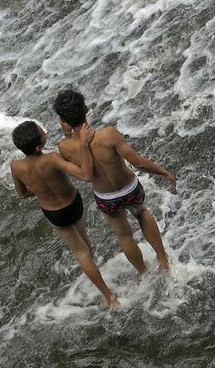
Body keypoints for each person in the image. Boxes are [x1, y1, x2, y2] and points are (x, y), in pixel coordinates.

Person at [53, 89, 176, 274]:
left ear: (64, 121)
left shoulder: (64, 147)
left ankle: (144, 272)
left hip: (106, 197)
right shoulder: (108, 134)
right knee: (142, 213)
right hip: (129, 189)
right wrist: (164, 173)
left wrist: (69, 135)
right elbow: (138, 162)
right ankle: (163, 259)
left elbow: (79, 159)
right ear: (86, 108)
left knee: (124, 235)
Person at [10, 120, 118, 308]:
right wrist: (82, 143)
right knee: (83, 237)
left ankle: (109, 297)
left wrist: (40, 189)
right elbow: (85, 174)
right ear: (38, 146)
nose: (44, 129)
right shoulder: (52, 159)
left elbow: (22, 194)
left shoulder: (16, 167)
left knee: (80, 252)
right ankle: (102, 282)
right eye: (41, 131)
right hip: (73, 203)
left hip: (54, 213)